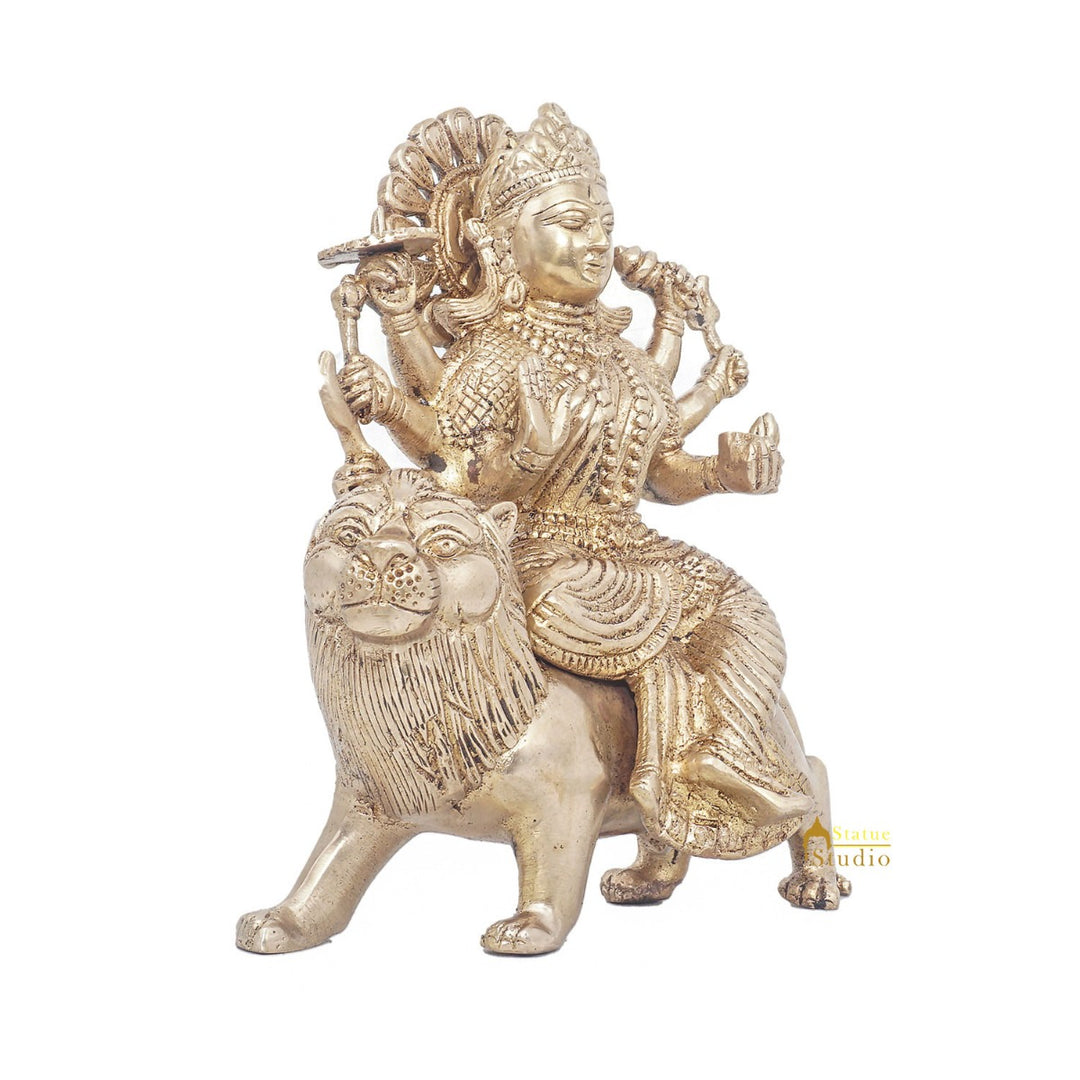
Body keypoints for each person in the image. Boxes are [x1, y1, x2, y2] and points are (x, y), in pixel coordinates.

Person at [335, 104, 816, 863]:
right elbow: (455, 472)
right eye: (569, 222)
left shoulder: (624, 359)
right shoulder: (496, 354)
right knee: (598, 609)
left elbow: (661, 473)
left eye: (603, 223)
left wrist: (723, 474)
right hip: (538, 555)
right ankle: (662, 770)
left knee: (745, 611)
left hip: (636, 544)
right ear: (502, 245)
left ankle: (720, 750)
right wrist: (499, 448)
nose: (596, 241)